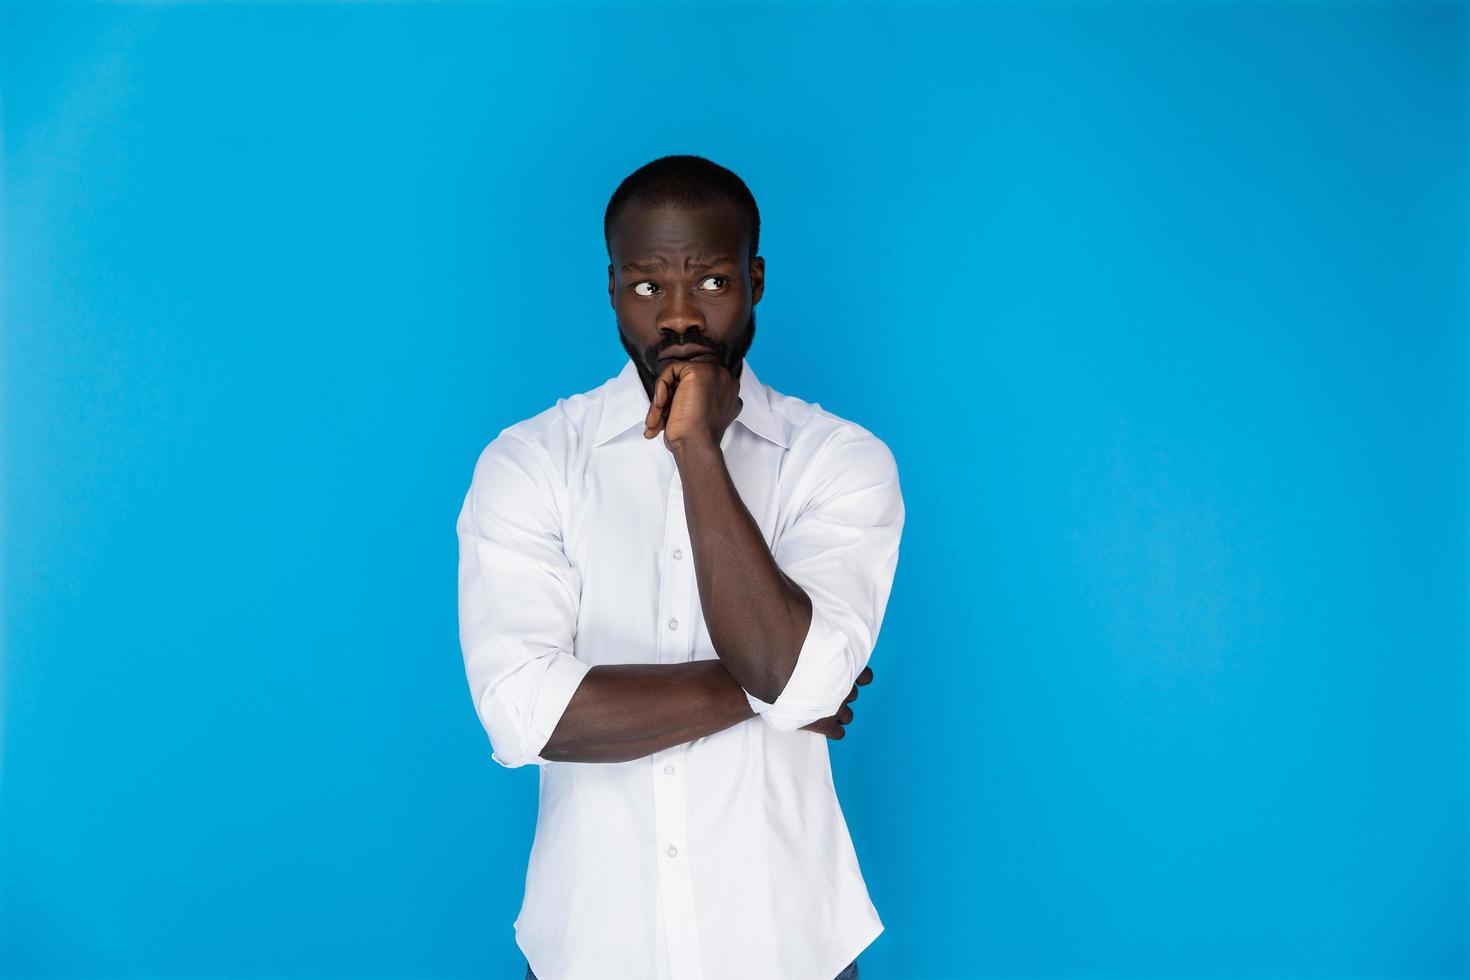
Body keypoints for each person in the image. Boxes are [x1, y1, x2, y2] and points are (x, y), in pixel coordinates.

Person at [456, 154, 905, 980]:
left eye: (709, 282)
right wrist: (764, 690)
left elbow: (798, 680)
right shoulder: (529, 463)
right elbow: (524, 717)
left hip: (791, 951)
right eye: (645, 286)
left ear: (754, 279)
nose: (677, 317)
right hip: (588, 952)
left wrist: (698, 446)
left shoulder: (838, 461)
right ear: (612, 289)